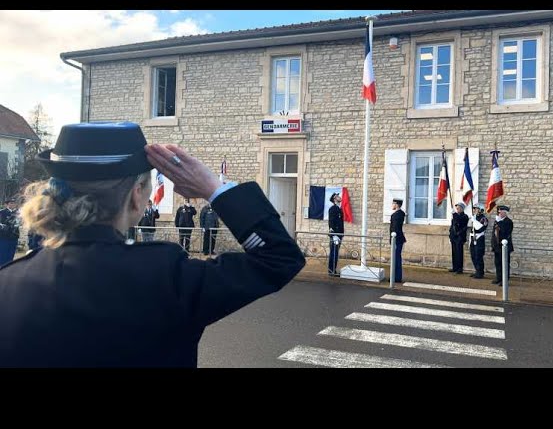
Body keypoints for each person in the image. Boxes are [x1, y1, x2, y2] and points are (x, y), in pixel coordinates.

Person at [0, 121, 305, 367]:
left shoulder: (8, 281)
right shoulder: (167, 276)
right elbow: (279, 258)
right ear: (137, 195)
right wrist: (215, 188)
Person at [491, 205, 514, 286]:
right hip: (497, 246)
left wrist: (499, 222)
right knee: (497, 263)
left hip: (504, 247)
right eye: (499, 212)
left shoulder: (508, 222)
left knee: (504, 264)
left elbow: (505, 232)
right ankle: (499, 278)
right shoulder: (497, 220)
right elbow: (494, 234)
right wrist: (493, 244)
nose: (499, 213)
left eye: (501, 212)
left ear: (505, 213)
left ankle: (505, 281)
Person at [469, 203, 489, 279]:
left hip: (479, 239)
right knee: (473, 256)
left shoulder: (483, 219)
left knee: (478, 256)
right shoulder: (474, 217)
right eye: (474, 208)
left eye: (476, 208)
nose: (474, 210)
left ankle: (480, 273)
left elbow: (480, 229)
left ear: (481, 210)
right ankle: (477, 271)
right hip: (473, 238)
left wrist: (475, 221)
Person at [448, 202, 469, 274]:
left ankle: (459, 269)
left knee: (459, 253)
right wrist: (450, 235)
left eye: (459, 208)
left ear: (462, 209)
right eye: (456, 208)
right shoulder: (455, 216)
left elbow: (459, 220)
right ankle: (455, 267)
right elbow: (452, 225)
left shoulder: (465, 216)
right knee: (454, 253)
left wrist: (454, 214)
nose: (457, 209)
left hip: (459, 237)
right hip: (454, 236)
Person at [390, 198, 406, 283]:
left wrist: (393, 240)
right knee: (396, 258)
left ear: (396, 204)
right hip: (398, 238)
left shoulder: (397, 215)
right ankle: (396, 276)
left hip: (397, 239)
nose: (392, 205)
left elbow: (395, 228)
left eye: (393, 204)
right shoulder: (400, 214)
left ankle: (396, 277)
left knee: (396, 258)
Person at [0, 198, 20, 266]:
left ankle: (9, 267)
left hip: (14, 236)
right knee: (3, 253)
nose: (12, 204)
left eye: (13, 203)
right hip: (4, 236)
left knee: (11, 254)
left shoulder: (18, 213)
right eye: (11, 203)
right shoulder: (2, 212)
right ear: (7, 204)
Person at [327, 192, 344, 276]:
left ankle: (333, 270)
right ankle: (331, 271)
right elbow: (331, 222)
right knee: (333, 253)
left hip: (339, 234)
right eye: (337, 196)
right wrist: (334, 235)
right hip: (336, 235)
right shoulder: (333, 209)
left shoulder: (339, 208)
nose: (339, 197)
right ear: (334, 199)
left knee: (335, 253)